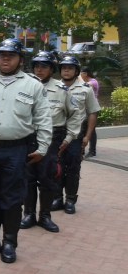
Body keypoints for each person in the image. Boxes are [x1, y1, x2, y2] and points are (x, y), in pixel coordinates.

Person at [0, 39, 51, 264]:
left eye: (11, 55)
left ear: (21, 59)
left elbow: (43, 118)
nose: (5, 58)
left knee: (12, 198)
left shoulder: (33, 85)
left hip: (17, 149)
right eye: (1, 55)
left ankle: (10, 242)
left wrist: (43, 147)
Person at [20, 51, 82, 234]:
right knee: (28, 178)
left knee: (47, 178)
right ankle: (28, 214)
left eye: (44, 66)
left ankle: (45, 215)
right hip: (30, 138)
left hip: (54, 138)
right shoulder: (25, 86)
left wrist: (69, 138)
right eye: (37, 66)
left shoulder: (62, 90)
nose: (39, 70)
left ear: (52, 69)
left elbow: (75, 115)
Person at [54, 56, 100, 214]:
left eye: (70, 68)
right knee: (56, 166)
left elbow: (92, 113)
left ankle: (70, 200)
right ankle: (57, 198)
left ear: (76, 71)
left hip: (75, 136)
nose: (66, 70)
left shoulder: (85, 89)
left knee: (73, 167)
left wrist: (87, 136)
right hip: (56, 134)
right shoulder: (54, 87)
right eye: (64, 68)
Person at [80, 67, 99, 157]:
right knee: (82, 130)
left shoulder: (93, 82)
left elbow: (85, 86)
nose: (79, 75)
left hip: (92, 109)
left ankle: (92, 151)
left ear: (85, 74)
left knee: (91, 130)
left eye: (81, 73)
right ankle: (82, 150)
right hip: (84, 108)